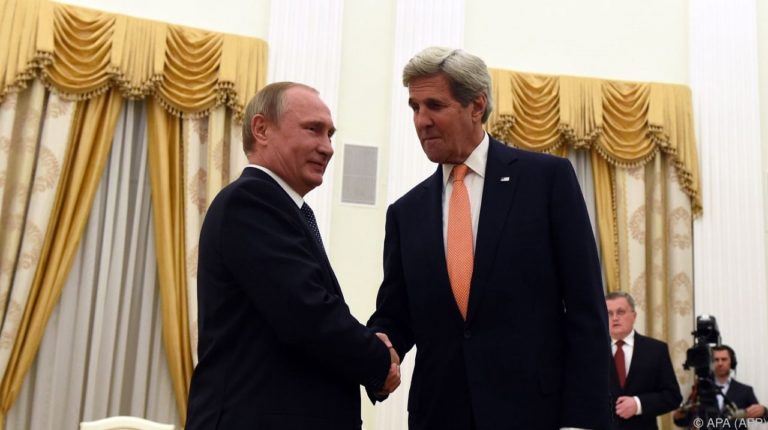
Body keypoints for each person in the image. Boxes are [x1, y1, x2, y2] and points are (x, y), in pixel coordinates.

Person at [367, 46, 610, 430]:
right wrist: (370, 351)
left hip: (535, 414)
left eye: (434, 105)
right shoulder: (405, 212)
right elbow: (397, 314)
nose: (421, 121)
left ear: (476, 105)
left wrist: (584, 419)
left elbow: (586, 310)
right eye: (414, 107)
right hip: (439, 415)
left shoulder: (547, 181)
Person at [186, 81, 400, 430]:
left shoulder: (284, 208)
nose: (328, 147)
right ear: (261, 129)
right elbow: (307, 313)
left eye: (330, 134)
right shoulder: (252, 201)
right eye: (313, 130)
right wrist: (379, 360)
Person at [605, 292, 682, 429]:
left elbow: (672, 396)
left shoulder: (656, 350)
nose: (615, 318)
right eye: (609, 313)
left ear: (634, 316)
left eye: (620, 312)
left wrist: (638, 404)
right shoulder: (594, 352)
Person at [673, 345, 768, 429]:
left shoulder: (745, 390)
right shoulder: (699, 389)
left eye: (724, 359)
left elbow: (763, 419)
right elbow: (686, 422)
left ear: (732, 362)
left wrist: (763, 411)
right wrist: (679, 417)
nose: (720, 363)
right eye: (716, 359)